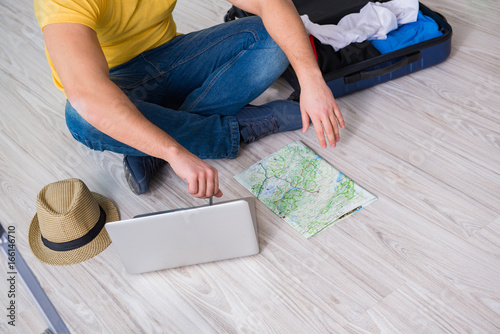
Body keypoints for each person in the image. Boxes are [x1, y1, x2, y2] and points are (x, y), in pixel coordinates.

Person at [35, 0, 345, 199]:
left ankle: (144, 142)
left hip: (174, 56)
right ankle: (233, 130)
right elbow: (88, 93)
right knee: (82, 118)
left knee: (271, 39)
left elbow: (269, 3)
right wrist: (174, 152)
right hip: (116, 84)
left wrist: (311, 79)